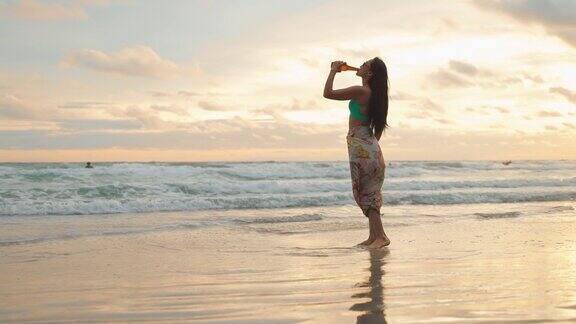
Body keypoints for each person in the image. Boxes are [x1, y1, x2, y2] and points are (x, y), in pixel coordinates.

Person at [323, 57, 390, 248]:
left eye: (364, 65)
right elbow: (377, 130)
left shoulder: (361, 91)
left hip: (362, 146)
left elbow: (328, 93)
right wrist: (368, 148)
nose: (359, 67)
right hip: (370, 147)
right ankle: (375, 236)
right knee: (370, 191)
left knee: (366, 191)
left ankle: (380, 237)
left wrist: (334, 70)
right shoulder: (376, 96)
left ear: (369, 73)